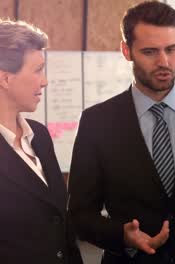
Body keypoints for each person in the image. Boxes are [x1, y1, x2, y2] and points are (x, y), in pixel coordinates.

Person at [68, 1, 175, 263]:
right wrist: (121, 236)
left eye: (171, 49)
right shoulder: (96, 121)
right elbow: (79, 214)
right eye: (150, 52)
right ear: (126, 50)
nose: (164, 62)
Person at [0, 19, 83, 264]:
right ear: (5, 79)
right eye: (37, 70)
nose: (45, 81)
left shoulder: (39, 135)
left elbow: (61, 226)